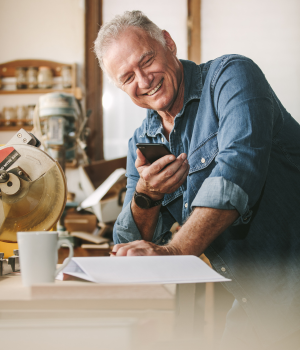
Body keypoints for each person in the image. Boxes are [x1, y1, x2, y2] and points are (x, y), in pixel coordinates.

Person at [94, 10, 300, 350]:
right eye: (127, 77)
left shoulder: (232, 76)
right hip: (256, 297)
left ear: (169, 43)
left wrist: (175, 251)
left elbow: (238, 173)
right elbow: (130, 239)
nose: (143, 81)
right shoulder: (140, 140)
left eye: (147, 61)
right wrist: (147, 196)